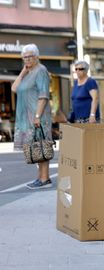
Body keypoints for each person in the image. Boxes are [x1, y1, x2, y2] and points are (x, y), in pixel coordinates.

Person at [11, 44, 53, 189]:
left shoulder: (41, 70)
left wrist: (37, 116)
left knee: (41, 146)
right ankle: (41, 178)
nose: (27, 60)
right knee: (36, 147)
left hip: (38, 115)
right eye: (24, 57)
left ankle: (45, 179)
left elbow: (43, 95)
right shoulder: (28, 72)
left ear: (36, 57)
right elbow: (14, 88)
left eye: (29, 56)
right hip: (28, 117)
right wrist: (23, 72)